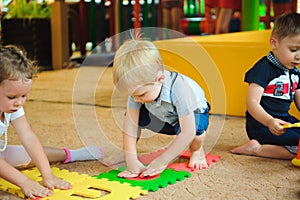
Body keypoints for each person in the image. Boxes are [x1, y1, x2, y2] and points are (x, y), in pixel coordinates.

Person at [0, 45, 104, 199]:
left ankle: (71, 154)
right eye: (12, 97)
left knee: (24, 155)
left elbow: (28, 137)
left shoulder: (14, 106)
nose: (19, 102)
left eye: (24, 96)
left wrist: (48, 175)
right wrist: (24, 182)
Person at [112, 36, 210, 178]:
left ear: (160, 79)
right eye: (132, 95)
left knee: (195, 131)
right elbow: (130, 125)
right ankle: (128, 152)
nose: (135, 99)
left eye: (141, 94)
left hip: (192, 117)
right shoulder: (138, 92)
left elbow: (188, 131)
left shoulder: (180, 89)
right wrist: (131, 159)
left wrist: (162, 161)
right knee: (133, 117)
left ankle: (197, 150)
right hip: (164, 115)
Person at [231, 13, 300, 159]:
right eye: (294, 50)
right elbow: (252, 103)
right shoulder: (264, 68)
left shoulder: (294, 71)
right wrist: (269, 121)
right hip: (262, 125)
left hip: (284, 121)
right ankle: (257, 149)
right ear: (274, 44)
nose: (298, 56)